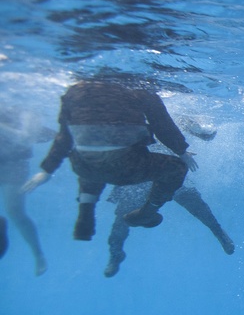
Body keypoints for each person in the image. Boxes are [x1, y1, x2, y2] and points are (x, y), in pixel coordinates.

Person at [20, 77, 197, 240]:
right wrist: (181, 152)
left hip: (85, 166)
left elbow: (64, 137)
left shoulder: (74, 91)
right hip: (126, 166)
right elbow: (162, 125)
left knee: (90, 155)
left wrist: (46, 170)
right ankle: (147, 212)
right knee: (177, 168)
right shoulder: (139, 86)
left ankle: (85, 213)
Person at [102, 121, 231, 277]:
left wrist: (200, 138)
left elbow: (192, 128)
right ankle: (115, 255)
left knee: (196, 204)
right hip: (140, 176)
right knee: (122, 219)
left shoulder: (168, 113)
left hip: (169, 170)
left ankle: (219, 233)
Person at [0, 109, 53, 275]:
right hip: (11, 161)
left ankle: (38, 255)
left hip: (14, 164)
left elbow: (25, 138)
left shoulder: (21, 108)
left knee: (15, 212)